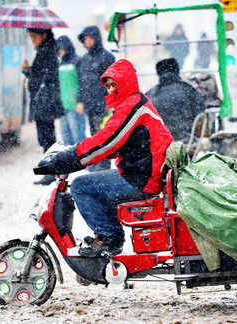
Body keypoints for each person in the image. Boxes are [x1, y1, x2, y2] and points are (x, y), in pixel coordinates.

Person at [49, 59, 173, 257]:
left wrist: (71, 156)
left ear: (125, 82)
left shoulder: (133, 105)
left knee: (81, 186)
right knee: (93, 184)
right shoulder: (132, 103)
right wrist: (78, 154)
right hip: (143, 172)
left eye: (113, 84)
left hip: (142, 178)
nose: (109, 89)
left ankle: (109, 239)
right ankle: (110, 236)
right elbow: (115, 143)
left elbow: (106, 142)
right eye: (106, 85)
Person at [22, 28, 64, 185]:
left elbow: (46, 77)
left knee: (47, 137)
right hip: (44, 101)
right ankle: (49, 170)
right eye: (31, 36)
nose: (32, 39)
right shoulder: (45, 51)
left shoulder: (47, 52)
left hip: (45, 101)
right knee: (45, 136)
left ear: (43, 35)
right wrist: (27, 70)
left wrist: (31, 81)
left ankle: (51, 172)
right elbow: (38, 76)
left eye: (34, 36)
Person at [77, 26, 116, 172]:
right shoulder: (84, 59)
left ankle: (103, 165)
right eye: (85, 39)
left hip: (103, 104)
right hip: (90, 104)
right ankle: (95, 162)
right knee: (93, 135)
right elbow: (82, 82)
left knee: (103, 136)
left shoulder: (107, 57)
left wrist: (113, 101)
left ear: (96, 38)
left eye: (89, 38)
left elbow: (111, 82)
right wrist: (80, 100)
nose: (87, 42)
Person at [146, 58, 205, 143]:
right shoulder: (188, 90)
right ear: (177, 71)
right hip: (188, 142)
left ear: (158, 73)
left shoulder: (150, 94)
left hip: (161, 143)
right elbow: (200, 115)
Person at [56, 36, 86, 146]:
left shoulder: (78, 61)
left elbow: (83, 83)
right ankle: (71, 163)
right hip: (63, 107)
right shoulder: (60, 64)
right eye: (59, 49)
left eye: (62, 48)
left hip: (75, 106)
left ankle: (81, 162)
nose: (60, 51)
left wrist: (80, 100)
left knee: (78, 138)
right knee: (66, 138)